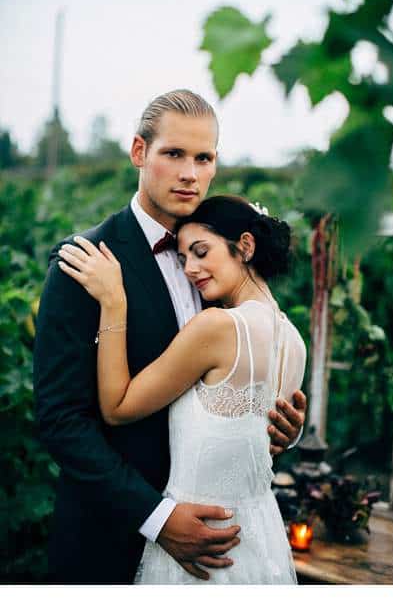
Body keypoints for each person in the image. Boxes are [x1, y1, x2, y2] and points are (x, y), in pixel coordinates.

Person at [33, 90, 306, 584]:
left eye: (203, 158)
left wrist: (272, 426)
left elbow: (227, 385)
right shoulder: (86, 263)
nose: (190, 173)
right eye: (173, 154)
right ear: (140, 152)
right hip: (110, 537)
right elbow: (60, 420)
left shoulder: (215, 261)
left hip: (218, 541)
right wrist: (156, 517)